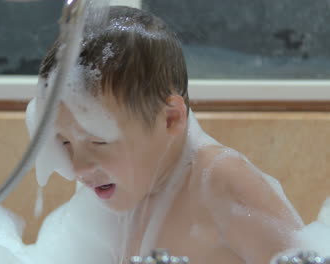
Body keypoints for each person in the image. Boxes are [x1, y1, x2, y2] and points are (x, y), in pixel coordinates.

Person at [28, 5, 304, 264]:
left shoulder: (222, 184)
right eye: (64, 142)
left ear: (171, 119)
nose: (78, 167)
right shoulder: (115, 196)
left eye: (99, 141)